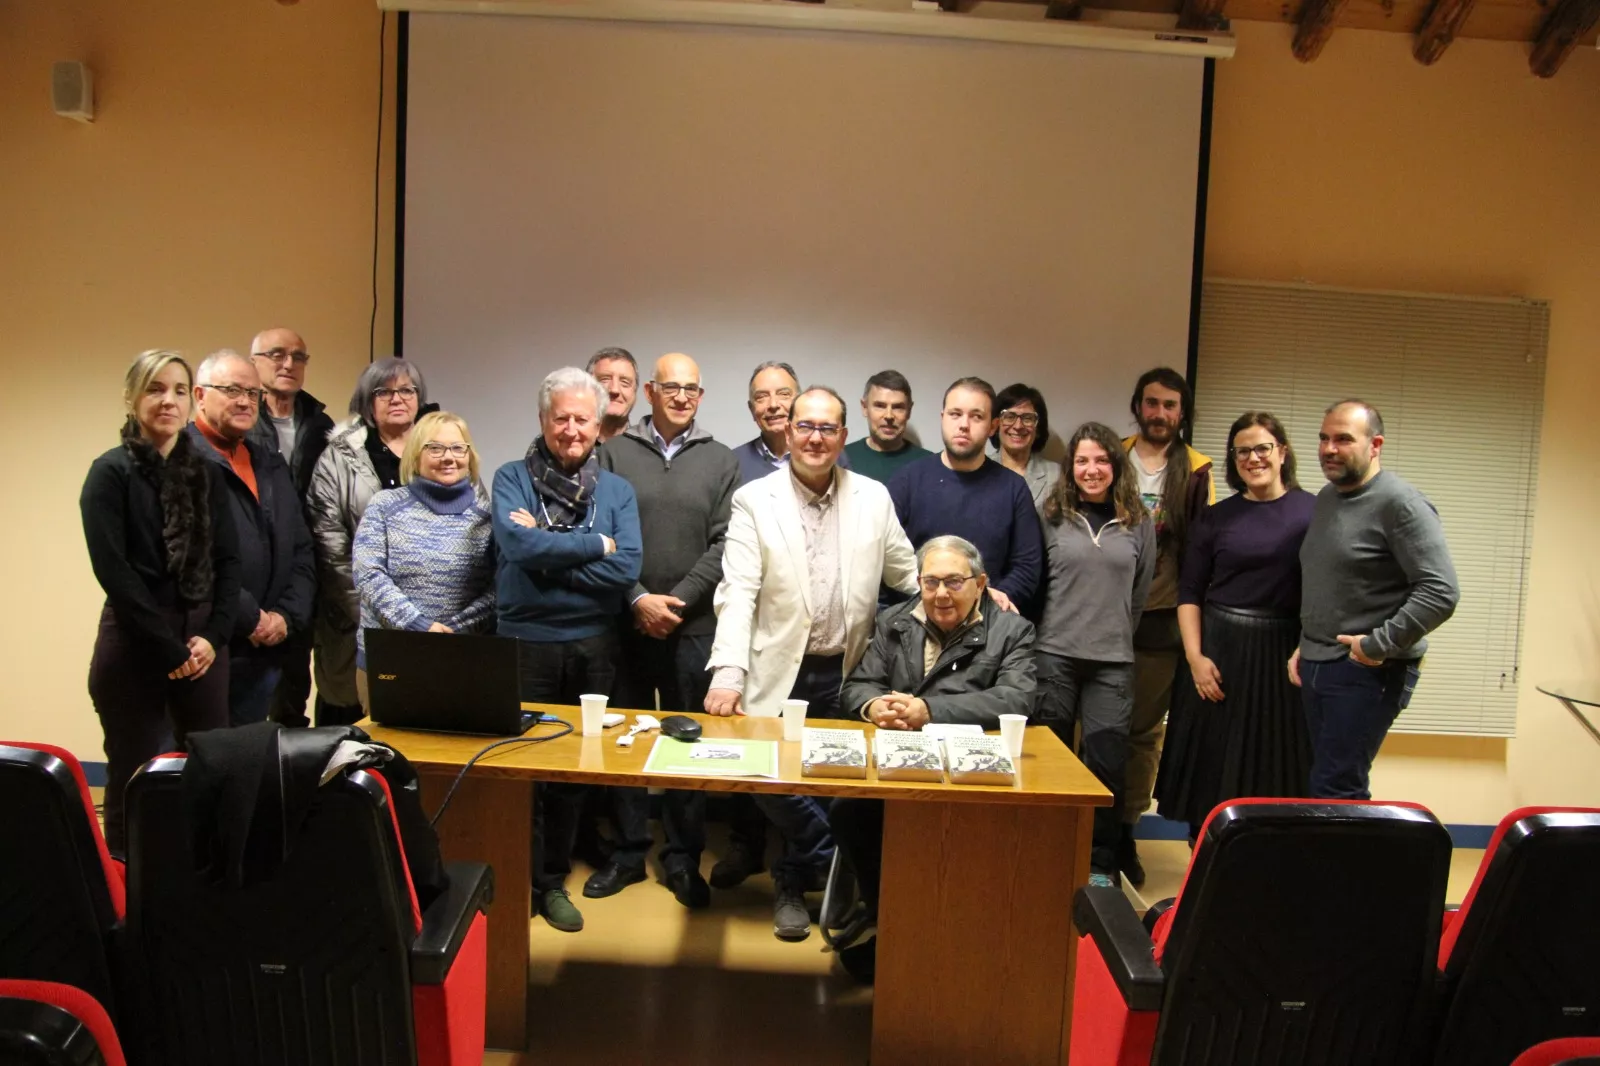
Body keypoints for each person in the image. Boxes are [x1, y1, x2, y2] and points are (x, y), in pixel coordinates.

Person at [705, 386, 918, 941]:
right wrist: (728, 673)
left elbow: (907, 574)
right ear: (788, 431)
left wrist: (962, 591)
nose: (815, 438)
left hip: (848, 671)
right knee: (764, 776)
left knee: (830, 783)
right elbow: (738, 591)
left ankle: (791, 886)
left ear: (843, 436)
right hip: (777, 668)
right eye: (805, 426)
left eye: (827, 428)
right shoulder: (755, 499)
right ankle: (842, 863)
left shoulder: (873, 497)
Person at [830, 535, 1037, 984]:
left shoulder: (1012, 630)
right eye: (931, 582)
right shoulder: (895, 622)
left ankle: (949, 937)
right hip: (900, 766)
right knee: (850, 812)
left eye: (954, 582)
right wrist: (873, 706)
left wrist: (930, 711)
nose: (941, 594)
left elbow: (1017, 699)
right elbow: (857, 685)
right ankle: (894, 926)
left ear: (980, 583)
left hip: (969, 773)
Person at [492, 367, 643, 933]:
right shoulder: (511, 478)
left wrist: (547, 551)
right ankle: (516, 877)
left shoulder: (617, 490)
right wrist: (594, 545)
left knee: (573, 771)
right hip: (525, 643)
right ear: (542, 420)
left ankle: (552, 881)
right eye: (561, 418)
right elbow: (516, 546)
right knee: (522, 768)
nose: (572, 429)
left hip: (593, 646)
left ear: (599, 425)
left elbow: (626, 569)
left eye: (583, 419)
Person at [81, 350, 241, 854]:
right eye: (155, 389)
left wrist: (213, 636)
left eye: (178, 390)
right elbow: (115, 573)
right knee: (132, 772)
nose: (168, 400)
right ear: (132, 398)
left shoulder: (208, 473)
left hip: (202, 642)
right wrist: (169, 649)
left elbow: (229, 562)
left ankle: (202, 878)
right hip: (136, 639)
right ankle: (125, 879)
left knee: (211, 767)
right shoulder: (110, 473)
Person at [596, 353, 739, 909]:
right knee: (625, 741)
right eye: (671, 387)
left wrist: (676, 600)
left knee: (687, 747)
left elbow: (726, 542)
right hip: (627, 622)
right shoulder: (613, 452)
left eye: (692, 389)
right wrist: (636, 598)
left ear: (701, 396)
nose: (682, 397)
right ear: (650, 392)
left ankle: (682, 858)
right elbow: (600, 532)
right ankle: (628, 853)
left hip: (693, 625)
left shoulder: (721, 459)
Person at [1155, 412, 1317, 838]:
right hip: (1218, 653)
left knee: (1276, 767)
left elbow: (1329, 591)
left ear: (1282, 452)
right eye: (1242, 451)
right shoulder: (1215, 518)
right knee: (1212, 767)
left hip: (1284, 656)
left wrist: (1310, 645)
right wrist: (1195, 658)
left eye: (1262, 448)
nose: (1253, 458)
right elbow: (1190, 592)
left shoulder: (1314, 512)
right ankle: (1205, 857)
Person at [1291, 400, 1459, 799]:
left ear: (1375, 445)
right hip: (1318, 661)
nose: (1329, 449)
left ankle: (1347, 846)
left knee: (1337, 788)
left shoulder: (1402, 504)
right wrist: (1305, 642)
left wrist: (1376, 645)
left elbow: (1441, 590)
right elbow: (1332, 580)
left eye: (1343, 439)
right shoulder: (1328, 498)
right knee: (1321, 782)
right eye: (1323, 439)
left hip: (1367, 669)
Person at [1033, 422, 1155, 888]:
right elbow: (1039, 585)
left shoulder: (1138, 521)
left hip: (1113, 661)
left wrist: (1113, 633)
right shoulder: (1051, 515)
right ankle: (1049, 853)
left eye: (1102, 460)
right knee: (1051, 760)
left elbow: (1139, 595)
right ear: (1071, 467)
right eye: (1082, 460)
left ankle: (1100, 863)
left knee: (1106, 762)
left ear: (1116, 466)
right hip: (1054, 655)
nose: (1092, 469)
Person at [1118, 367, 1214, 887]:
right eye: (1151, 403)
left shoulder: (1197, 470)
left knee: (1141, 735)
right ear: (1138, 406)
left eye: (1170, 405)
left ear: (1182, 412)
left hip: (1160, 621)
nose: (1159, 414)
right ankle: (1091, 830)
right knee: (1093, 731)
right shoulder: (1110, 455)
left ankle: (1125, 831)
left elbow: (1200, 551)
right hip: (1103, 614)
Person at [186, 350, 316, 726]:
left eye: (252, 393)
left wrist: (285, 617)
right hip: (207, 646)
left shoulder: (269, 463)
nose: (245, 401)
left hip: (266, 653)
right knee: (193, 756)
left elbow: (302, 549)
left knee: (248, 757)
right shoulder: (181, 462)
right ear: (199, 395)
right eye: (231, 390)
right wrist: (251, 619)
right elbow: (193, 559)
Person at [308, 358, 433, 726]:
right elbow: (329, 545)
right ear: (367, 400)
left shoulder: (443, 448)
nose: (397, 399)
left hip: (429, 625)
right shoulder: (339, 458)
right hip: (359, 620)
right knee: (355, 732)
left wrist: (425, 617)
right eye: (384, 392)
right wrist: (377, 613)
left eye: (406, 390)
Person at [352, 411, 496, 709]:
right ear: (416, 455)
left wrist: (456, 629)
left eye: (458, 448)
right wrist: (417, 626)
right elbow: (368, 574)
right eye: (435, 448)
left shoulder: (488, 517)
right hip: (390, 659)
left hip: (463, 658)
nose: (448, 457)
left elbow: (499, 589)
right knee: (389, 741)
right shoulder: (384, 506)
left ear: (470, 456)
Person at [888, 377, 1041, 613]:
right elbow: (888, 557)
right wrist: (931, 596)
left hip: (986, 619)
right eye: (955, 414)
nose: (964, 425)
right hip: (916, 617)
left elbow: (1027, 566)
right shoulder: (907, 481)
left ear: (993, 426)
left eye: (976, 416)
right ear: (943, 418)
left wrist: (987, 599)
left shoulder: (1014, 489)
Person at [247, 327, 335, 729]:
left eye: (298, 356)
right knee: (245, 700)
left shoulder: (322, 425)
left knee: (293, 692)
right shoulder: (242, 422)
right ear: (254, 362)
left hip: (303, 574)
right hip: (251, 577)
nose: (288, 364)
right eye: (277, 354)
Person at [841, 370, 931, 483]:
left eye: (898, 407)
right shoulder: (842, 458)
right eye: (880, 406)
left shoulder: (929, 464)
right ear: (864, 408)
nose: (889, 416)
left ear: (909, 411)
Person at [989, 382, 1062, 512]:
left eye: (1027, 418)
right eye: (1009, 417)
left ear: (1038, 428)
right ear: (996, 424)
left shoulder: (1056, 475)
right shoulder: (979, 469)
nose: (1018, 426)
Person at [587, 346, 639, 443]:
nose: (614, 390)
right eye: (605, 380)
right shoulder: (569, 447)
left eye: (624, 382)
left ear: (635, 394)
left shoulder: (645, 449)